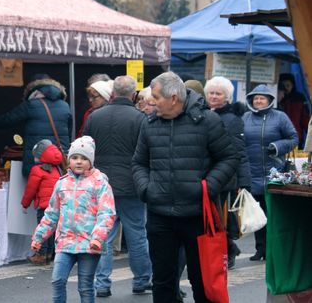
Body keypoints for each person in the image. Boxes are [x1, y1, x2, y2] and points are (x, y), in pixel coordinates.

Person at [132, 71, 238, 303]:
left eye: (156, 97)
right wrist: (146, 189)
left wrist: (206, 188)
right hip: (160, 215)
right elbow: (138, 163)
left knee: (202, 281)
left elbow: (229, 158)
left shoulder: (207, 121)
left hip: (197, 215)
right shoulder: (149, 123)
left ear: (173, 98)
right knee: (162, 282)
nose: (151, 101)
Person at [83, 76, 152, 297]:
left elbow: (86, 150)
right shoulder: (140, 118)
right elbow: (146, 153)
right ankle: (141, 280)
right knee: (137, 235)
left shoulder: (95, 117)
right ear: (134, 95)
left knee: (103, 236)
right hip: (132, 185)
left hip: (102, 184)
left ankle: (102, 283)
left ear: (112, 93)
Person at [32, 136, 116, 303]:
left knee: (85, 285)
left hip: (89, 243)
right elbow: (51, 213)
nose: (79, 162)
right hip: (65, 241)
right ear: (69, 160)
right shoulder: (61, 184)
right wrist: (39, 236)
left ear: (91, 161)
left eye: (84, 158)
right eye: (75, 157)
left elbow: (106, 213)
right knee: (57, 280)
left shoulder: (100, 183)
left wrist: (98, 238)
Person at [242, 84, 298, 261]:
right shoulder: (245, 117)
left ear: (269, 100)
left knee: (273, 214)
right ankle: (260, 249)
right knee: (257, 214)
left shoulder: (280, 117)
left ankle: (275, 248)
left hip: (275, 171)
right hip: (252, 172)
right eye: (256, 98)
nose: (258, 101)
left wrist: (276, 147)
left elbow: (293, 138)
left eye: (262, 98)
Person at [204, 76, 252, 269]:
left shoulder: (232, 120)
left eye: (218, 93)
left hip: (225, 178)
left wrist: (243, 181)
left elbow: (239, 151)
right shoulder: (203, 114)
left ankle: (228, 250)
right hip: (205, 175)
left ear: (227, 97)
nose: (214, 96)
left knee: (219, 219)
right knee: (210, 218)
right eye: (211, 93)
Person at [0, 74, 72, 177]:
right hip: (59, 160)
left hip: (37, 160)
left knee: (38, 190)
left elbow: (7, 120)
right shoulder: (65, 106)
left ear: (34, 90)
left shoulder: (31, 105)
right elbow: (69, 132)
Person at [21, 139, 63, 265]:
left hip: (44, 206)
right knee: (52, 230)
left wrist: (25, 203)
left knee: (43, 230)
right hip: (56, 206)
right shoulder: (57, 169)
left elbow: (31, 189)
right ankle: (50, 253)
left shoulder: (37, 170)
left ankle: (40, 254)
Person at [278, 73, 309, 148]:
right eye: (283, 85)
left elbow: (305, 119)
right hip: (279, 138)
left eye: (288, 85)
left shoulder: (299, 98)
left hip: (296, 137)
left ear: (293, 85)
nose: (286, 88)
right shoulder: (278, 99)